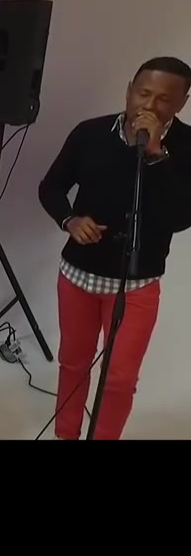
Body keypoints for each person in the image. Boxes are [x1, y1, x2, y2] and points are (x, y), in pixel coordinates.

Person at [37, 56, 191, 440]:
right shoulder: (90, 133)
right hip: (78, 275)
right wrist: (69, 220)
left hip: (138, 281)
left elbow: (180, 218)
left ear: (182, 102)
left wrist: (156, 154)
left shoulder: (187, 146)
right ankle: (66, 434)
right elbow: (51, 187)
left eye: (164, 99)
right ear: (128, 91)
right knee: (73, 363)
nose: (149, 105)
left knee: (119, 377)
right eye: (143, 93)